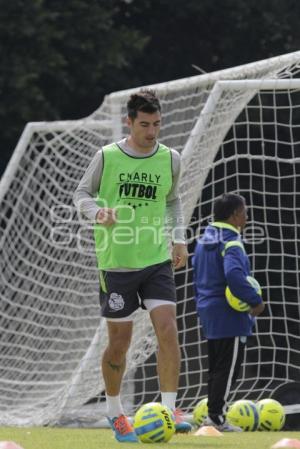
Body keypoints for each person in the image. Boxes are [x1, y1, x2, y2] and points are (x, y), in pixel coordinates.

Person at [73, 89, 192, 442]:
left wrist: (179, 238)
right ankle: (115, 412)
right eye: (144, 124)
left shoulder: (171, 159)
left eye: (157, 124)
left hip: (156, 260)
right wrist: (98, 213)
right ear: (129, 122)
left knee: (168, 330)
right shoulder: (107, 157)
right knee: (119, 344)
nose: (152, 132)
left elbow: (172, 201)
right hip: (117, 264)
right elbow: (81, 194)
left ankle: (169, 411)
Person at [192, 193, 265, 432]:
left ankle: (213, 415)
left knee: (216, 368)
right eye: (245, 211)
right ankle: (216, 418)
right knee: (229, 369)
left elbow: (196, 275)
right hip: (229, 314)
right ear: (235, 215)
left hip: (208, 310)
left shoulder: (204, 240)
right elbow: (234, 275)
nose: (247, 216)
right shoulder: (231, 242)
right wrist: (254, 300)